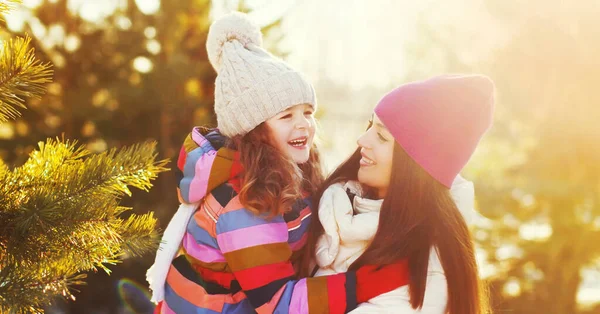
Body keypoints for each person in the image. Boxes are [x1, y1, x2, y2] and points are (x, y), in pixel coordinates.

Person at [146, 12, 409, 314]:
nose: (304, 125)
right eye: (286, 116)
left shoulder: (291, 169)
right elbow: (279, 303)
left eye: (307, 112)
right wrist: (365, 283)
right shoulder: (244, 203)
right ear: (254, 131)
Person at [304, 74, 495, 313]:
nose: (361, 139)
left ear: (416, 167)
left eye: (382, 136)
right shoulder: (333, 204)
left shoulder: (426, 267)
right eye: (369, 126)